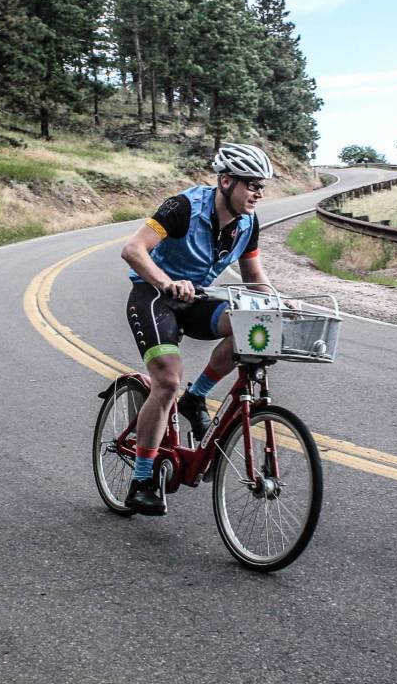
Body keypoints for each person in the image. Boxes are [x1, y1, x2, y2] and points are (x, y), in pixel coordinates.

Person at [119, 143, 276, 515]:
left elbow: (254, 276)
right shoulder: (183, 207)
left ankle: (197, 396)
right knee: (167, 381)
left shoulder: (247, 223)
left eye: (262, 187)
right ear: (226, 181)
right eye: (251, 184)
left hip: (197, 299)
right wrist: (165, 281)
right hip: (154, 296)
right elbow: (133, 249)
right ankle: (142, 480)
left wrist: (279, 304)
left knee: (252, 326)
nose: (257, 193)